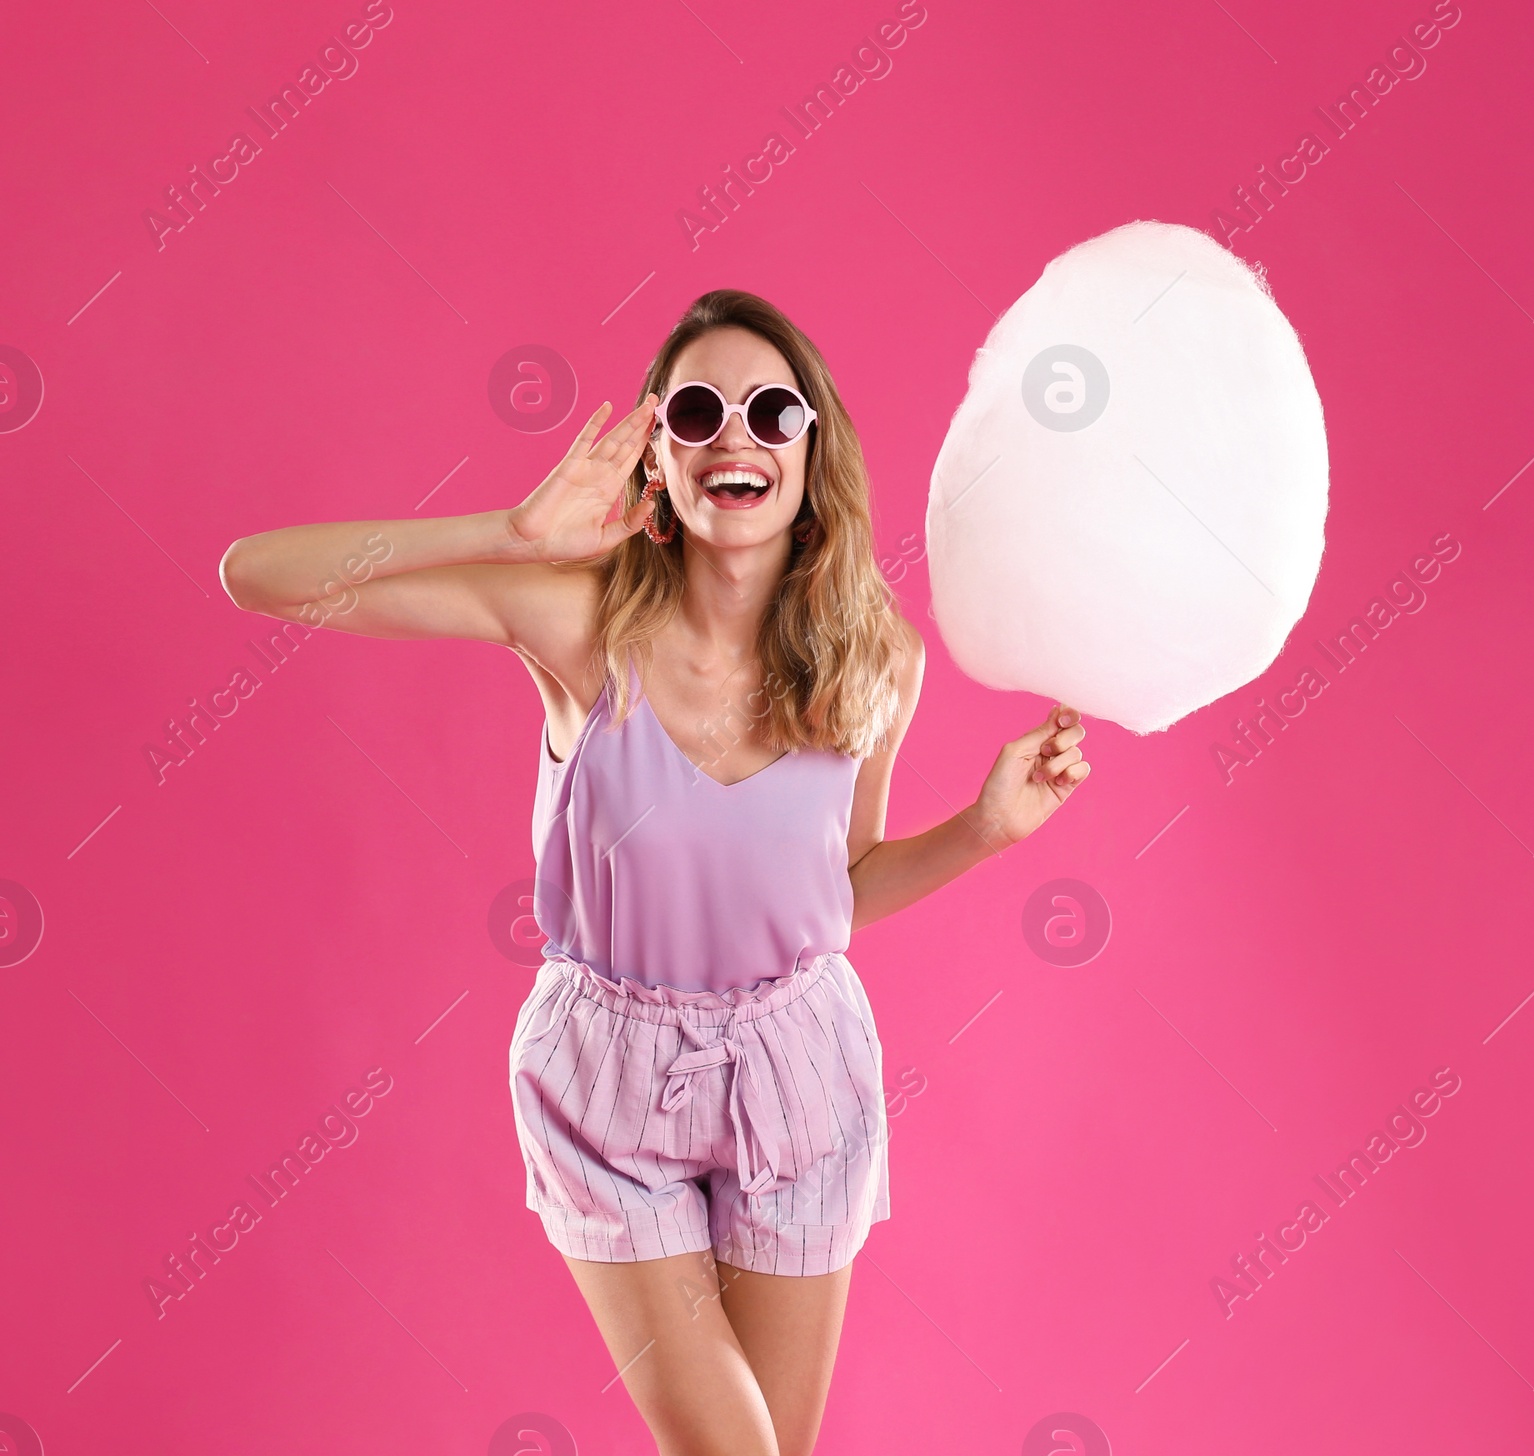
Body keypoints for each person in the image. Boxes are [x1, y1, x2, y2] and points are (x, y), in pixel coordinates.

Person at [219, 289, 1090, 1456]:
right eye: (698, 410)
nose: (736, 433)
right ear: (659, 459)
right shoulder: (580, 626)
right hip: (605, 1083)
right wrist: (514, 532)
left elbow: (835, 894)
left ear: (811, 446)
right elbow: (259, 574)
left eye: (771, 410)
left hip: (796, 1068)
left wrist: (985, 827)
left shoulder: (873, 658)